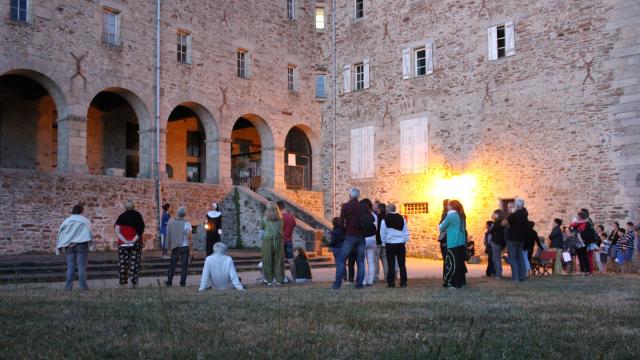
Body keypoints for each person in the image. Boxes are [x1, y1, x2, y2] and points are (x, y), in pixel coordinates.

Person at [333, 188, 365, 290]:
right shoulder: (363, 206)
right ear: (358, 196)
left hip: (350, 235)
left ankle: (337, 284)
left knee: (341, 259)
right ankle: (359, 284)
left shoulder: (346, 206)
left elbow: (341, 221)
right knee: (360, 261)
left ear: (350, 195)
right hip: (361, 235)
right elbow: (371, 219)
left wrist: (345, 231)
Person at [56, 203, 94, 291]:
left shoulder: (67, 221)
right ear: (81, 211)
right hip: (81, 245)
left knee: (70, 267)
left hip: (69, 246)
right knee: (81, 267)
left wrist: (64, 243)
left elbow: (61, 234)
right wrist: (91, 244)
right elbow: (90, 233)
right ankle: (83, 287)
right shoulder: (85, 221)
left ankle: (68, 288)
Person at [114, 200, 146, 288]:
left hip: (122, 244)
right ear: (133, 206)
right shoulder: (138, 216)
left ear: (125, 207)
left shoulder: (121, 217)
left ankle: (123, 283)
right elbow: (140, 230)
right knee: (134, 263)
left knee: (123, 263)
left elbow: (117, 231)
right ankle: (133, 283)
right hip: (135, 244)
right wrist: (133, 241)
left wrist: (125, 241)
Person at [440, 200, 467, 289]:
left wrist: (445, 227)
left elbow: (441, 227)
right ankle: (458, 282)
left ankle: (449, 283)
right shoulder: (461, 215)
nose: (447, 206)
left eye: (449, 205)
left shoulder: (451, 215)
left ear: (452, 206)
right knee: (458, 263)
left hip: (453, 242)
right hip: (460, 242)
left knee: (452, 264)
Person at [381, 203, 409, 288]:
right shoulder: (402, 218)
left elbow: (382, 232)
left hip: (390, 244)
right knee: (402, 264)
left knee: (391, 264)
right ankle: (403, 282)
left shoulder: (384, 219)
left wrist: (383, 242)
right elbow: (405, 231)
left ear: (388, 209)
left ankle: (391, 283)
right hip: (400, 243)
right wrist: (405, 240)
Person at [166, 206, 193, 287]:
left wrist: (168, 248)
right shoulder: (187, 224)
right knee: (184, 266)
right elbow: (189, 238)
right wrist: (191, 250)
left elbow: (168, 235)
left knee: (172, 265)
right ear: (184, 214)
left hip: (175, 246)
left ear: (178, 213)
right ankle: (182, 283)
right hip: (185, 246)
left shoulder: (170, 222)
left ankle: (169, 282)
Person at [503, 198, 528, 282]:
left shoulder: (514, 215)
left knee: (513, 258)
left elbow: (504, 223)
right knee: (520, 258)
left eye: (514, 204)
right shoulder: (525, 215)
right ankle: (522, 276)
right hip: (521, 239)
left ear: (517, 205)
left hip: (512, 239)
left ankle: (515, 278)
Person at [261, 201, 285, 285]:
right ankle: (279, 279)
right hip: (278, 240)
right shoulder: (280, 219)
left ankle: (269, 279)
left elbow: (261, 234)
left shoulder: (264, 219)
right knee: (278, 260)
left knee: (267, 260)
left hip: (267, 240)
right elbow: (281, 230)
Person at [277, 201, 297, 282]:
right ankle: (295, 279)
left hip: (280, 240)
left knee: (279, 261)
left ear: (278, 208)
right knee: (291, 260)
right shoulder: (292, 216)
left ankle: (281, 278)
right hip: (289, 240)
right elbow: (294, 226)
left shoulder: (279, 217)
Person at [360, 198, 378, 286]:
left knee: (362, 261)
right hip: (372, 239)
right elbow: (376, 228)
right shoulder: (374, 216)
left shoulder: (360, 216)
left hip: (363, 239)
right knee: (371, 261)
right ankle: (370, 281)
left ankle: (363, 281)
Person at [488, 210, 506, 279]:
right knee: (497, 258)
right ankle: (498, 273)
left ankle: (499, 275)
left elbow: (491, 231)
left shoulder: (497, 223)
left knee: (496, 258)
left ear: (497, 215)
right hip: (503, 242)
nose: (493, 215)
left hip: (496, 242)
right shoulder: (505, 222)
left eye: (494, 214)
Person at [329, 217, 347, 282]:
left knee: (338, 264)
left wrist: (329, 244)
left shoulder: (334, 231)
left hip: (336, 248)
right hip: (343, 247)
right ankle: (345, 278)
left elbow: (333, 241)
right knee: (343, 263)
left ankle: (338, 279)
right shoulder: (344, 230)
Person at [374, 202, 388, 283]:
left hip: (377, 240)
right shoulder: (387, 217)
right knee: (385, 259)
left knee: (376, 259)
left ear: (379, 209)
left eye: (378, 208)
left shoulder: (376, 217)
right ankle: (386, 277)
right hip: (385, 241)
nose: (377, 209)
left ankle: (376, 277)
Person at [437, 199, 450, 268]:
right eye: (449, 203)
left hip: (446, 238)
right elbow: (441, 226)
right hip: (445, 238)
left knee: (447, 258)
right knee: (447, 258)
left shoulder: (446, 213)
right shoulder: (446, 213)